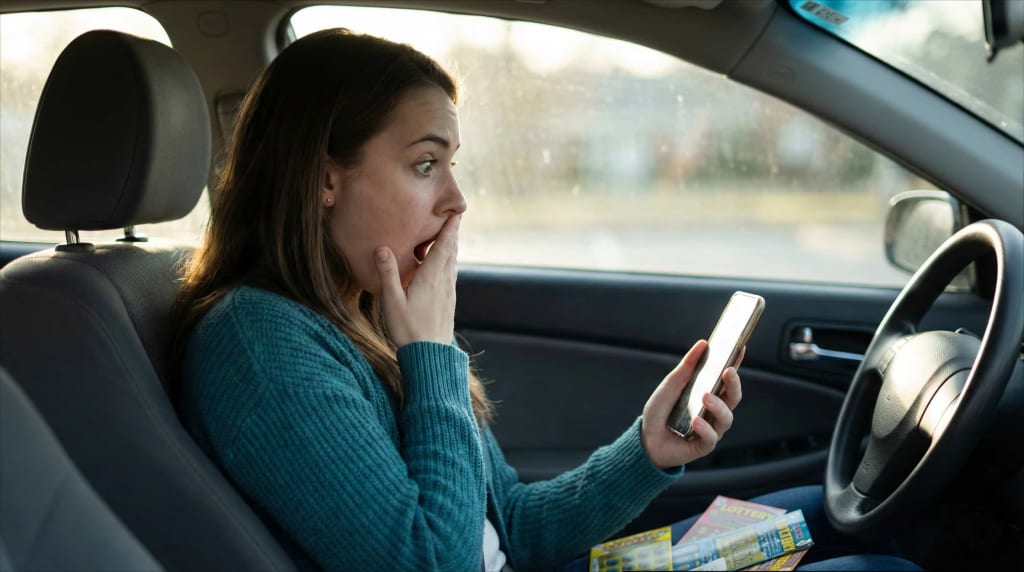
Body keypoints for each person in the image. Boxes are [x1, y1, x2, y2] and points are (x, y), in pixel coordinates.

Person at [175, 28, 920, 572]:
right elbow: (436, 563)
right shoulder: (259, 342)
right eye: (424, 164)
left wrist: (647, 452)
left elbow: (515, 529)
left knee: (834, 512)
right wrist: (430, 354)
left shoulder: (361, 318)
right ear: (323, 179)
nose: (457, 200)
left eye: (452, 166)